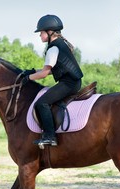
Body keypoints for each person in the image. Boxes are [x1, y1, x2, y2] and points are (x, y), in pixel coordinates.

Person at [22, 14, 83, 147]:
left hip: (69, 84)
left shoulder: (53, 48)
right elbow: (49, 70)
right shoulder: (60, 44)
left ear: (50, 32)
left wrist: (27, 79)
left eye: (41, 32)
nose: (39, 35)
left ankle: (50, 136)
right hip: (72, 82)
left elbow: (44, 74)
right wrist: (32, 72)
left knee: (41, 103)